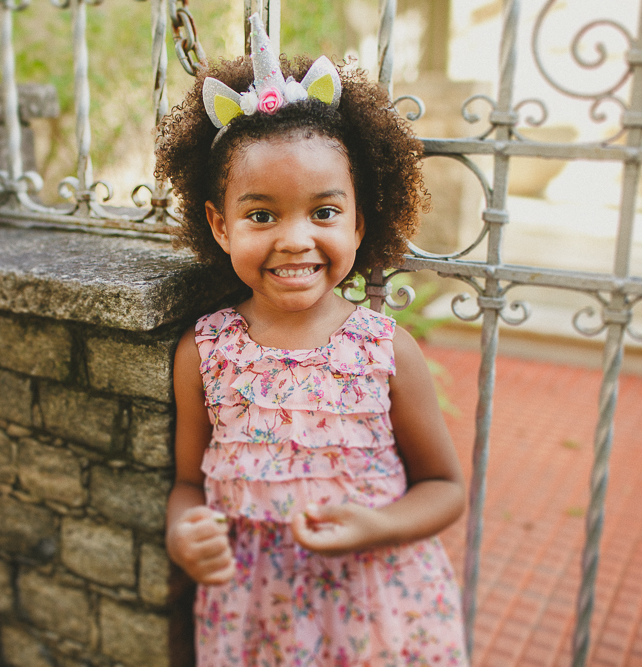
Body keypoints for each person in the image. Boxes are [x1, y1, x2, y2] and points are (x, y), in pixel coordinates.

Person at [157, 15, 468, 666]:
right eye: (262, 214)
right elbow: (189, 482)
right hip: (255, 622)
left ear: (360, 222)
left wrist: (378, 524)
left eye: (323, 212)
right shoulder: (204, 350)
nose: (295, 238)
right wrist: (184, 531)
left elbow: (444, 484)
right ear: (220, 225)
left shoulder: (385, 350)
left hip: (378, 612)